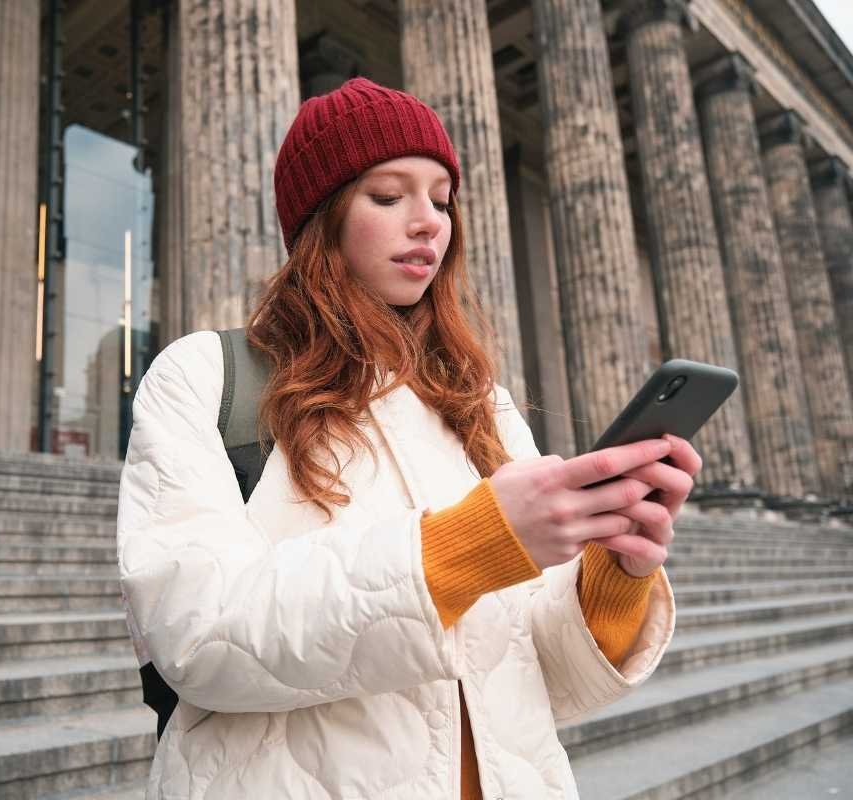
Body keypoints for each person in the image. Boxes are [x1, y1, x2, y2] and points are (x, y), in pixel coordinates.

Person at [117, 77, 699, 800]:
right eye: (388, 197)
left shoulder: (480, 404)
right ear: (321, 220)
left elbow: (545, 678)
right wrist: (470, 544)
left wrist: (615, 572)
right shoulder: (206, 375)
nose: (427, 221)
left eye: (441, 198)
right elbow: (199, 638)